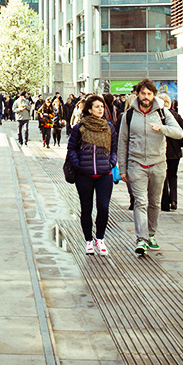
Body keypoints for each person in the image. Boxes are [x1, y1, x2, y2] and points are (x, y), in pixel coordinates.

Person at [118, 78, 183, 256]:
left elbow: (179, 133)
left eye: (149, 93)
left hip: (158, 164)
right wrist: (122, 168)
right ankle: (141, 238)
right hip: (136, 163)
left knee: (155, 202)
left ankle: (152, 234)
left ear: (153, 95)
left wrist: (162, 128)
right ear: (137, 94)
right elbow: (122, 142)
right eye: (143, 93)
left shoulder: (163, 112)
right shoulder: (128, 115)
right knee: (140, 202)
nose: (146, 97)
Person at [66, 94, 117, 255]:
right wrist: (78, 164)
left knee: (103, 207)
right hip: (84, 175)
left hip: (104, 174)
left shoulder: (109, 127)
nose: (100, 109)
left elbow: (114, 149)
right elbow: (71, 148)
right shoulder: (80, 127)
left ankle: (100, 239)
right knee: (86, 208)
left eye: (102, 106)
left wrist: (111, 163)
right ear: (89, 109)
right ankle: (88, 240)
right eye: (97, 106)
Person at [159, 93, 183, 212]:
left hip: (163, 151)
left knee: (163, 177)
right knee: (173, 175)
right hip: (175, 151)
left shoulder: (158, 116)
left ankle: (165, 202)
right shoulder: (176, 115)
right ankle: (174, 200)